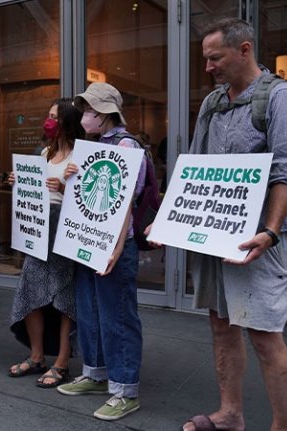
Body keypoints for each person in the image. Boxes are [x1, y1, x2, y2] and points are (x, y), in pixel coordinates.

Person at [171, 18, 287, 431]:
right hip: (215, 235)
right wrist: (170, 219)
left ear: (244, 50)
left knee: (263, 334)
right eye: (205, 59)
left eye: (214, 58)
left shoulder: (277, 98)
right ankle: (230, 414)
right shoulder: (212, 103)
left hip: (258, 242)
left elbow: (284, 172)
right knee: (221, 323)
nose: (208, 68)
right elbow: (194, 170)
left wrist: (270, 232)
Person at [55, 82, 146, 421]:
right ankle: (95, 373)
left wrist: (118, 246)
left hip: (113, 246)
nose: (84, 115)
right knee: (91, 310)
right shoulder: (93, 146)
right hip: (91, 242)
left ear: (106, 113)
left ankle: (124, 390)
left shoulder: (125, 145)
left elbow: (125, 202)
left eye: (90, 110)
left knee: (117, 316)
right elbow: (84, 199)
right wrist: (70, 178)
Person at [6, 98, 83, 388]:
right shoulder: (43, 153)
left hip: (62, 230)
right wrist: (18, 181)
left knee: (63, 298)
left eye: (55, 116)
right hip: (37, 229)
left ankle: (62, 363)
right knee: (30, 292)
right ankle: (36, 356)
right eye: (48, 115)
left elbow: (88, 202)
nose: (49, 121)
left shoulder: (79, 155)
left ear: (68, 121)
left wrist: (64, 187)